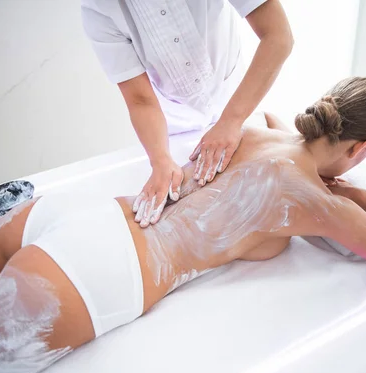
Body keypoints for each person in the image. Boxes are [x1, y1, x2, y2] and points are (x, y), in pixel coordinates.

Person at [0, 77, 366, 373]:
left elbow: (282, 127)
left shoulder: (252, 127)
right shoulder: (322, 204)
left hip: (83, 215)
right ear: (363, 149)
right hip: (101, 272)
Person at [81, 0, 294, 227]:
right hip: (175, 124)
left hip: (235, 97)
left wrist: (231, 120)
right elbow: (140, 100)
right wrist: (161, 160)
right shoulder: (98, 9)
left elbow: (278, 37)